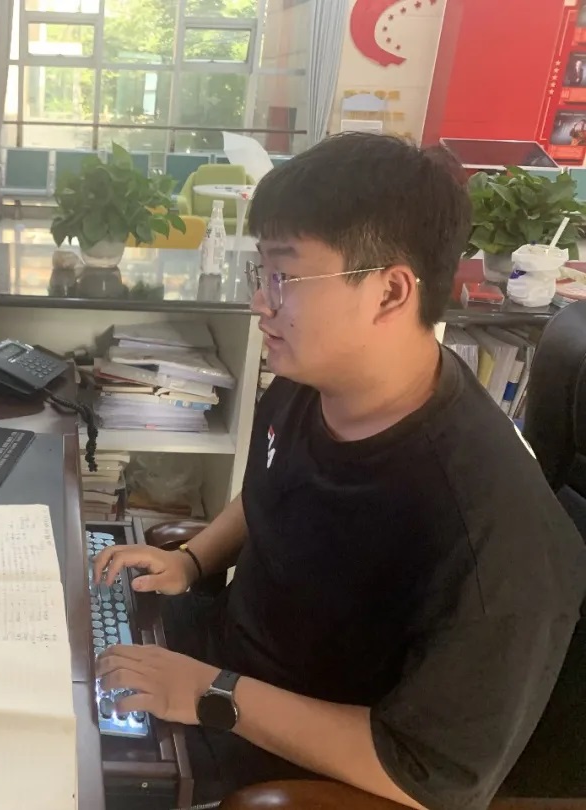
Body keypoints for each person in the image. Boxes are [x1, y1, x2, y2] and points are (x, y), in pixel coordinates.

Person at [94, 133, 586, 810]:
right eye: (260, 272)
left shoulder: (489, 533)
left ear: (389, 292)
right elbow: (273, 489)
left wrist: (210, 693)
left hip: (288, 750)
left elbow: (427, 773)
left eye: (285, 278)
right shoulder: (313, 383)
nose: (260, 303)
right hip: (216, 661)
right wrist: (193, 561)